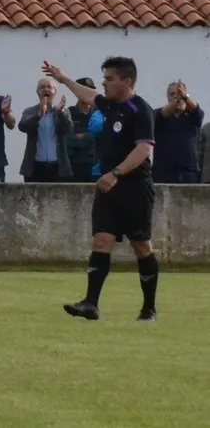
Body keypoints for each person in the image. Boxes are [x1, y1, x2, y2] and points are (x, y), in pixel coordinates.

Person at [42, 58, 158, 322]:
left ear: (126, 82)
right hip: (108, 186)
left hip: (135, 188)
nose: (104, 83)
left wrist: (116, 173)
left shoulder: (141, 110)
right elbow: (90, 95)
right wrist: (62, 78)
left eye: (109, 79)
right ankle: (90, 304)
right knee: (101, 240)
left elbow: (144, 150)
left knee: (141, 246)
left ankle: (148, 309)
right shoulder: (108, 105)